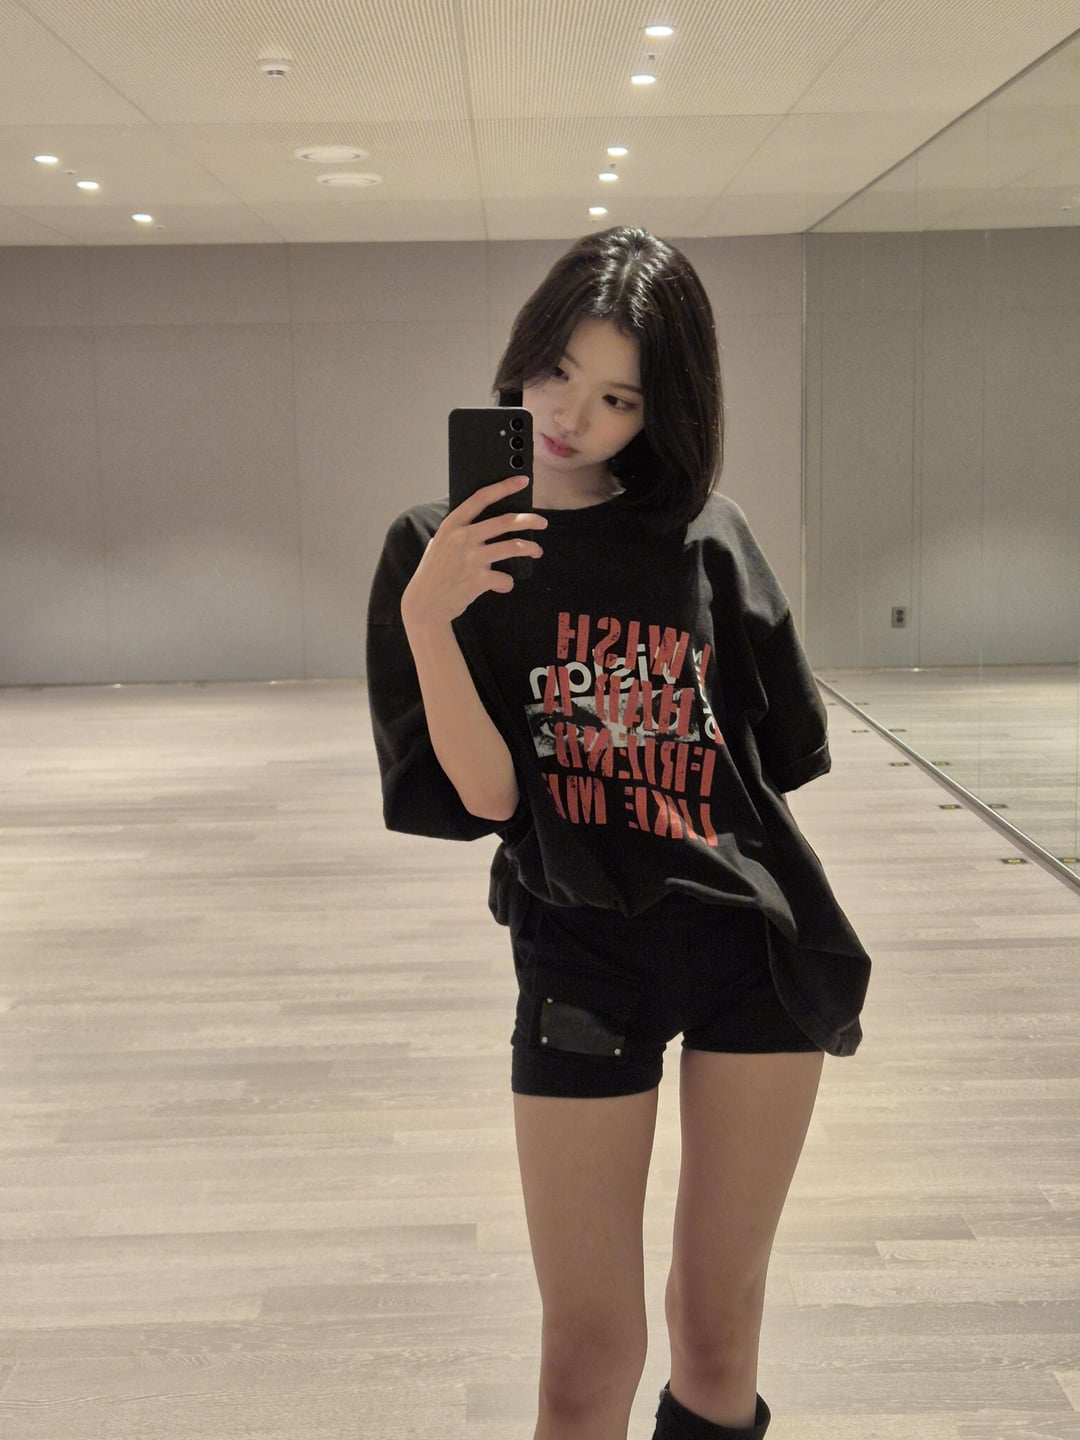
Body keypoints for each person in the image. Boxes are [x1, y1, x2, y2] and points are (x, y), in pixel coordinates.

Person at [366, 227, 870, 1440]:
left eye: (617, 398)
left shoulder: (708, 534)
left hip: (752, 950)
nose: (569, 415)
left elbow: (775, 757)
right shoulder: (435, 548)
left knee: (717, 1327)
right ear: (524, 353)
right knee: (587, 1356)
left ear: (663, 410)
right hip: (581, 949)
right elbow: (491, 800)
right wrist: (432, 622)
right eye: (556, 373)